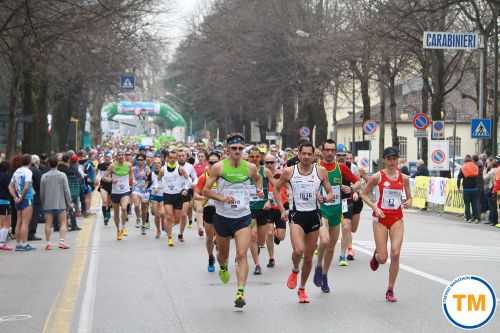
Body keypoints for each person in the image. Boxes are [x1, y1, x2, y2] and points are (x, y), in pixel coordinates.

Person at [202, 133, 263, 311]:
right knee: (223, 256)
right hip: (222, 217)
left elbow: (258, 181)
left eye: (240, 148)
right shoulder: (219, 168)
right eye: (234, 148)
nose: (237, 151)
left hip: (243, 217)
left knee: (242, 254)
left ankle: (240, 292)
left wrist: (258, 191)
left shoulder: (251, 168)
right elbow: (205, 191)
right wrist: (221, 197)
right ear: (227, 150)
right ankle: (222, 266)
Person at [273, 141, 334, 303]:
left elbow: (330, 193)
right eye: (303, 154)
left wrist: (325, 198)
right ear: (298, 155)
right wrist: (282, 210)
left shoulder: (320, 172)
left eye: (309, 154)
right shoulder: (289, 172)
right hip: (296, 216)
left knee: (308, 258)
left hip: (314, 215)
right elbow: (276, 190)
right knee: (299, 250)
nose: (306, 157)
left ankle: (302, 289)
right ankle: (294, 270)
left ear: (314, 156)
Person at [361, 147, 412, 303]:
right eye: (389, 159)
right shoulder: (378, 177)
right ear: (384, 160)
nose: (392, 162)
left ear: (398, 160)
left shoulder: (404, 178)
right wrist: (375, 207)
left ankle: (390, 289)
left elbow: (410, 198)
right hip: (380, 218)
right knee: (383, 258)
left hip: (396, 218)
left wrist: (408, 202)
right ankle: (377, 256)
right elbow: (364, 193)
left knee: (395, 253)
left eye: (395, 159)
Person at [314, 140, 360, 293]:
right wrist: (316, 194)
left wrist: (351, 188)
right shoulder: (316, 168)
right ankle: (318, 265)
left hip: (336, 209)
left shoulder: (341, 168)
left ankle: (325, 275)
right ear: (322, 151)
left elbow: (358, 181)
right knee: (325, 240)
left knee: (331, 245)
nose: (330, 153)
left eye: (332, 150)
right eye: (327, 150)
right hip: (321, 210)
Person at [247, 147, 272, 275]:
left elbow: (275, 187)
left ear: (260, 158)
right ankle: (257, 265)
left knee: (261, 240)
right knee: (252, 235)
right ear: (248, 157)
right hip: (248, 209)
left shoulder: (265, 171)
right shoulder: (244, 171)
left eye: (257, 156)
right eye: (252, 156)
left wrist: (270, 201)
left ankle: (255, 247)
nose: (254, 159)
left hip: (263, 208)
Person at [194, 152, 221, 272]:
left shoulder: (224, 176)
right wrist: (204, 198)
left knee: (221, 237)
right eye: (211, 162)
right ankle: (210, 257)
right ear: (207, 163)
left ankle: (221, 258)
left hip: (222, 209)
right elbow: (196, 194)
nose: (213, 164)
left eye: (216, 162)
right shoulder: (204, 177)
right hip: (209, 209)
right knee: (210, 237)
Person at [336, 147, 362, 265]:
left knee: (349, 228)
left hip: (346, 200)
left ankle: (343, 254)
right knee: (331, 230)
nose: (341, 157)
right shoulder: (328, 167)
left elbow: (357, 181)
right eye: (338, 154)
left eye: (343, 154)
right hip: (330, 202)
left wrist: (354, 190)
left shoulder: (351, 167)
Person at [40, 156, 72, 250]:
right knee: (63, 223)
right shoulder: (62, 175)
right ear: (57, 164)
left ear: (49, 164)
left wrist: (43, 202)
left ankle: (48, 243)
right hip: (60, 203)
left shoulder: (44, 176)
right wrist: (69, 202)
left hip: (48, 203)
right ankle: (62, 241)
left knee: (48, 224)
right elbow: (66, 190)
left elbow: (42, 192)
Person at [162, 149, 191, 246]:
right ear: (167, 158)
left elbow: (189, 180)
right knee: (169, 216)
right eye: (171, 158)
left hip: (178, 195)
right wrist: (158, 187)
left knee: (178, 219)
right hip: (167, 195)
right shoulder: (163, 169)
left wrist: (186, 189)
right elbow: (158, 180)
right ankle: (170, 237)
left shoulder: (181, 169)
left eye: (174, 158)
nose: (172, 159)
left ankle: (169, 226)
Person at [8, 154, 36, 251]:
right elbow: (27, 186)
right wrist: (21, 197)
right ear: (29, 162)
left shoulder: (17, 171)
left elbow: (10, 186)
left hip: (17, 199)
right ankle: (24, 244)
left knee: (19, 221)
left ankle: (18, 244)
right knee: (25, 223)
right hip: (26, 198)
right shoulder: (28, 171)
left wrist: (15, 197)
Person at [106, 151, 133, 240]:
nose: (121, 156)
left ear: (124, 156)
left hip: (125, 191)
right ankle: (118, 230)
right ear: (116, 157)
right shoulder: (112, 166)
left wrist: (130, 185)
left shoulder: (129, 165)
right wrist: (110, 180)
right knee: (116, 213)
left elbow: (131, 177)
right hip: (115, 192)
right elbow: (104, 177)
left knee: (124, 208)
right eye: (119, 155)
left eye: (122, 155)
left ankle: (124, 227)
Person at [457, 155, 481, 223]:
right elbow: (478, 176)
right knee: (475, 204)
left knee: (467, 204)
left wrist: (458, 187)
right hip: (475, 188)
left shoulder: (463, 167)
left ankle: (468, 218)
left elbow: (459, 178)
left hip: (466, 189)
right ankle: (477, 218)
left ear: (464, 160)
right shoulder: (475, 166)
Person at [131, 153, 151, 235]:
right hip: (136, 188)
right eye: (138, 160)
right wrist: (134, 182)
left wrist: (145, 186)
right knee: (136, 205)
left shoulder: (147, 169)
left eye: (141, 160)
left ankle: (143, 225)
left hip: (144, 190)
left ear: (144, 161)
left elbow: (149, 180)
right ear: (136, 160)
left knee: (144, 209)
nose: (140, 161)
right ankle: (138, 218)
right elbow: (132, 178)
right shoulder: (133, 169)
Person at [149, 157, 166, 239]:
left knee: (162, 213)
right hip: (154, 196)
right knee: (156, 215)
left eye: (158, 163)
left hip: (163, 195)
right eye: (155, 163)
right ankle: (158, 230)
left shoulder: (165, 173)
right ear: (153, 164)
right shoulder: (151, 174)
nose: (157, 165)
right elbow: (147, 185)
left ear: (161, 164)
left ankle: (163, 223)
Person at [29, 155, 43, 241]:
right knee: (34, 215)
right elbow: (40, 184)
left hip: (27, 196)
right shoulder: (36, 171)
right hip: (35, 196)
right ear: (37, 162)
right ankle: (31, 233)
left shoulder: (28, 170)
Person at [97, 152, 113, 225]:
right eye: (106, 156)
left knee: (109, 202)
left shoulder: (114, 165)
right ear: (104, 157)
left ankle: (108, 212)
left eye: (109, 157)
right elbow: (98, 174)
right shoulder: (100, 165)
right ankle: (105, 217)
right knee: (104, 201)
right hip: (103, 184)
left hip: (111, 185)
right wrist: (97, 179)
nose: (107, 158)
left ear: (111, 158)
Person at [0, 161, 13, 251]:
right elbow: (10, 188)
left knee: (1, 223)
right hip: (5, 201)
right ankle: (2, 243)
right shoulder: (7, 177)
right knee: (7, 224)